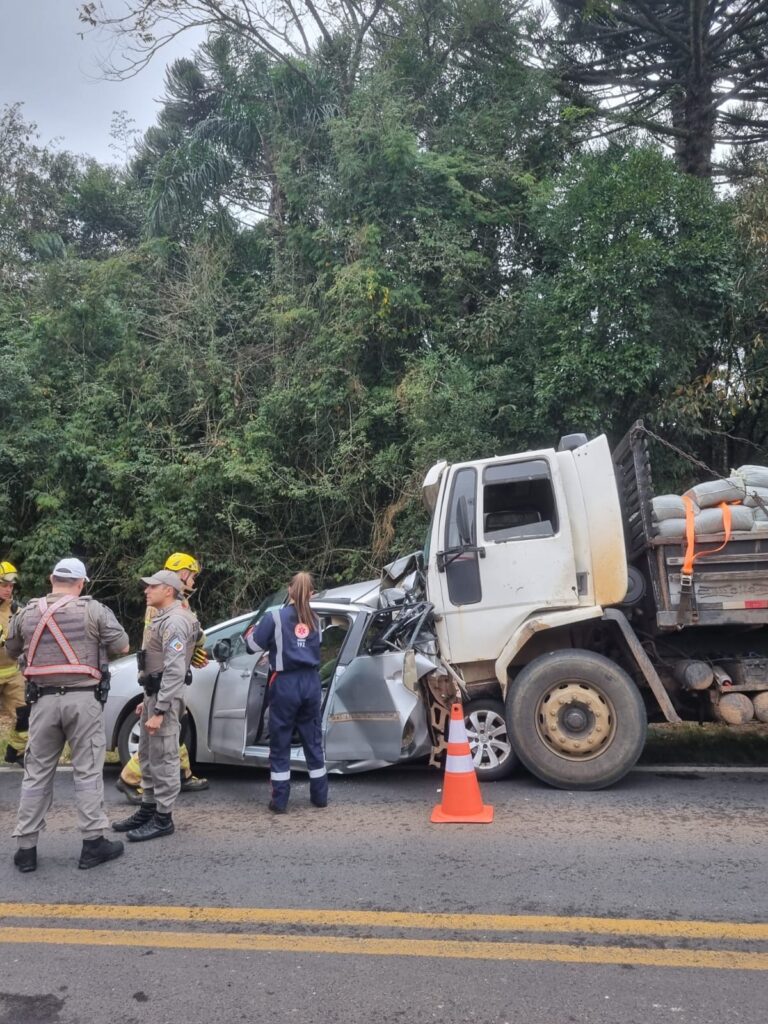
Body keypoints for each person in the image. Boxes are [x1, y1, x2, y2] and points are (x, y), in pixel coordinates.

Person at [7, 557, 129, 872]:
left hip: (42, 702)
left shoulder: (25, 614)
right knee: (87, 771)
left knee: (36, 774)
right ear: (81, 583)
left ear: (51, 578)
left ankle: (26, 848)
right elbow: (123, 646)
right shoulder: (94, 610)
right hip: (83, 700)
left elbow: (10, 650)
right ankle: (92, 844)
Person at [113, 568, 201, 842]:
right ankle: (148, 808)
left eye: (152, 587)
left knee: (164, 758)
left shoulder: (175, 621)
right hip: (155, 695)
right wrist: (147, 701)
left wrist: (161, 709)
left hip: (166, 699)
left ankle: (163, 818)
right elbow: (158, 668)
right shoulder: (163, 618)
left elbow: (174, 672)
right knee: (149, 756)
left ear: (169, 590)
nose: (146, 591)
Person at [245, 571, 328, 813]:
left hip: (286, 684)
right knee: (312, 740)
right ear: (311, 593)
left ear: (289, 590)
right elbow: (312, 646)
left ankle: (280, 801)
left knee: (280, 742)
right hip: (311, 682)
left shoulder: (274, 617)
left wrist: (253, 630)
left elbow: (251, 646)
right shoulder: (316, 619)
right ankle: (320, 797)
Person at [0, 561, 28, 765]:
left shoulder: (17, 610)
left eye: (11, 586)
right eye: (4, 585)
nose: (8, 590)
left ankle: (15, 752)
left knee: (23, 716)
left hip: (13, 672)